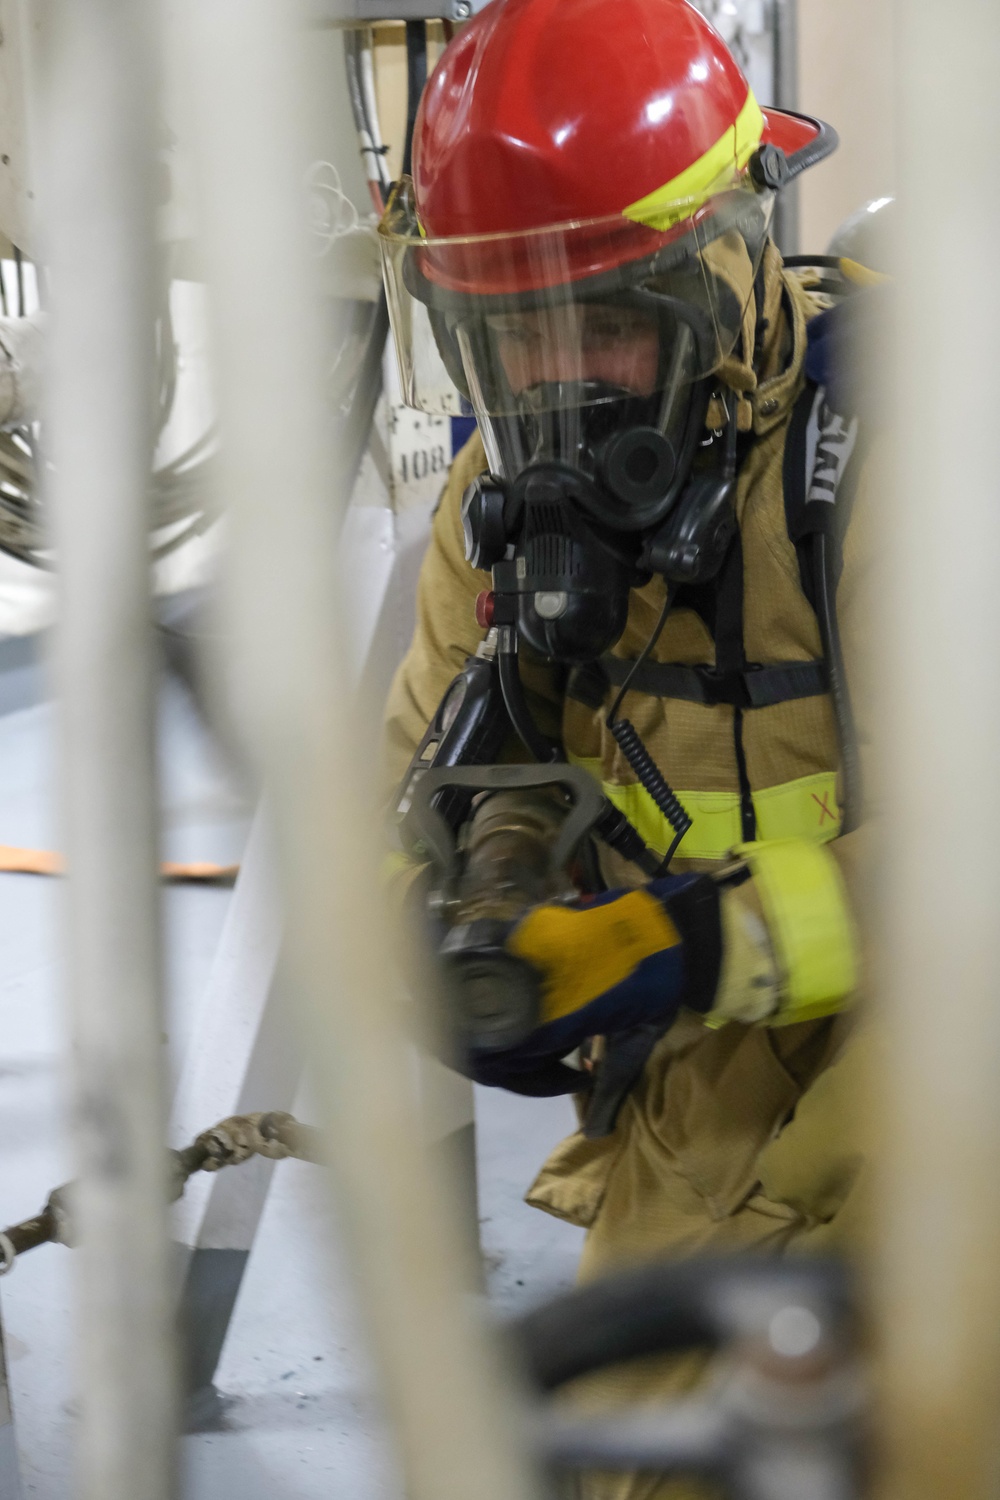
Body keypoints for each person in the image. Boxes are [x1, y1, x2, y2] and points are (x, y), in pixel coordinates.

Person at [379, 0, 877, 1493]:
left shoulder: (902, 449)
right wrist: (457, 954)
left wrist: (659, 952)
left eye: (606, 316)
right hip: (720, 1075)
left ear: (724, 259)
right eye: (515, 334)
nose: (564, 379)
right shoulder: (501, 490)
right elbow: (403, 805)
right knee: (643, 1465)